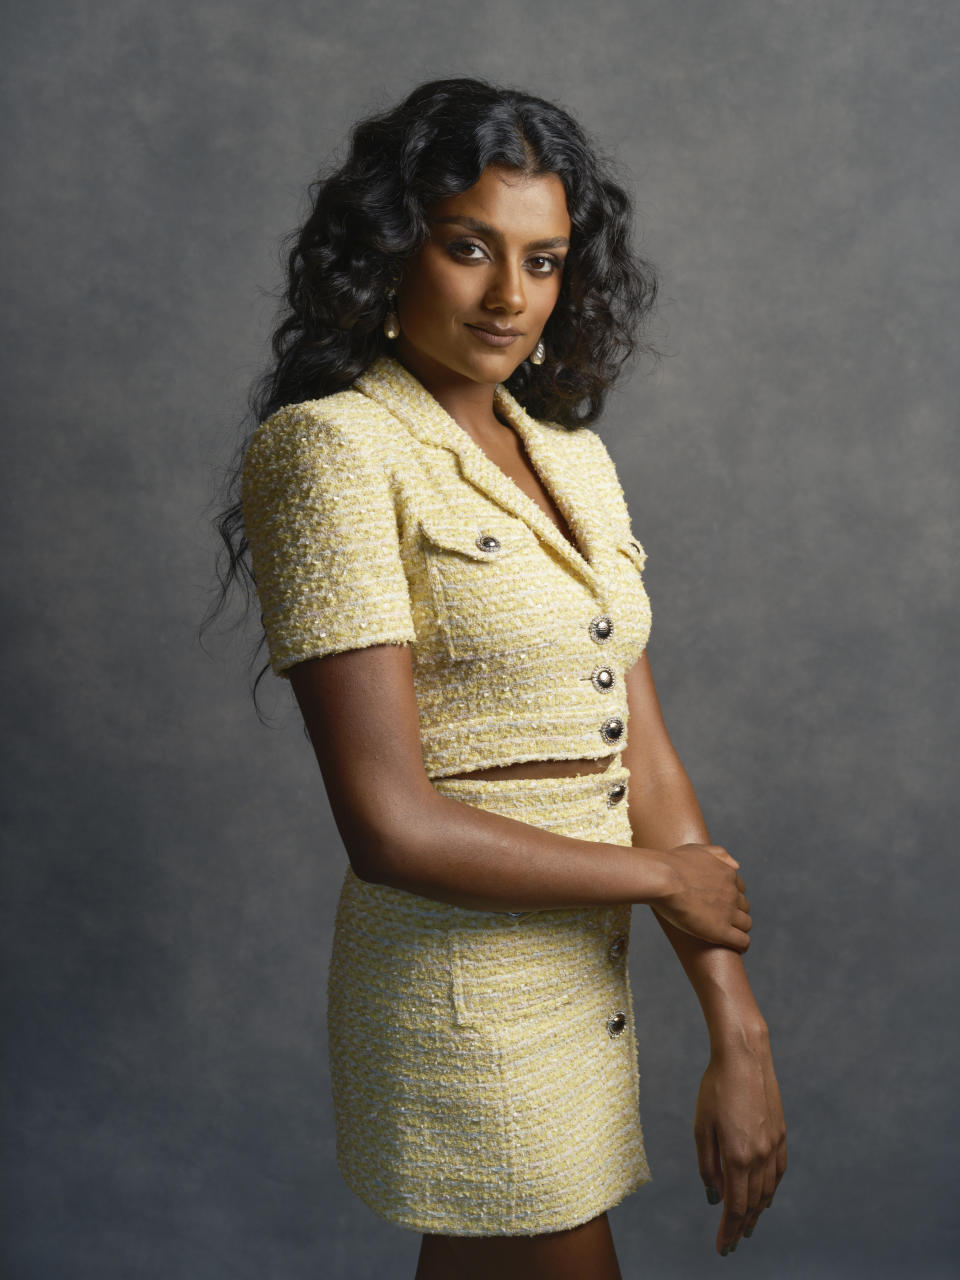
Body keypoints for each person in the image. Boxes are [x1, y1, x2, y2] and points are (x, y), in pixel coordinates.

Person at [213, 77, 786, 1279]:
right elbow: (390, 823)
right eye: (468, 246)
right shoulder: (331, 449)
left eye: (544, 258)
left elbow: (643, 745)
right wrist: (659, 881)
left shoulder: (570, 452)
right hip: (460, 987)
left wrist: (739, 1025)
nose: (507, 296)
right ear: (391, 248)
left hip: (587, 977)